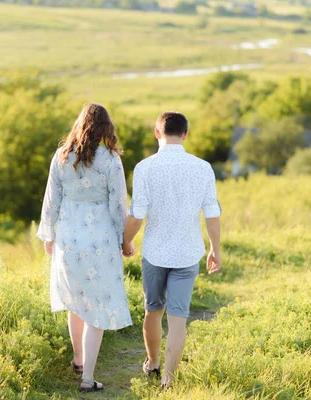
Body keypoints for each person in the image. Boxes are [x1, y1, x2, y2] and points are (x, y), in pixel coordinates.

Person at [122, 111, 222, 389]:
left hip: (154, 252)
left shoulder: (144, 167)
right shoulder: (203, 168)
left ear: (157, 132)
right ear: (186, 134)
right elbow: (212, 214)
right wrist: (216, 249)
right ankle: (169, 378)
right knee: (178, 317)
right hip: (188, 252)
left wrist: (125, 241)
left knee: (153, 310)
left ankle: (152, 363)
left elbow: (137, 215)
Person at [37, 103, 132, 393]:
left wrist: (48, 236)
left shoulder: (62, 156)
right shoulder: (111, 160)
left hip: (69, 237)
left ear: (79, 125)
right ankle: (87, 376)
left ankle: (78, 359)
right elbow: (118, 205)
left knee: (75, 300)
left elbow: (51, 200)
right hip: (100, 239)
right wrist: (125, 239)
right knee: (97, 307)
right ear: (106, 128)